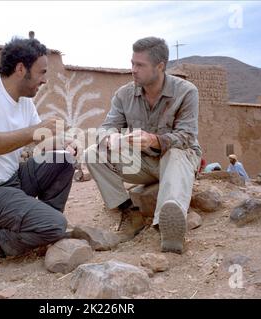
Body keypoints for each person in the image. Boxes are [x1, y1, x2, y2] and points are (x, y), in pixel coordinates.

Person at [0, 37, 76, 269]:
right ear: (21, 69)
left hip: (11, 181)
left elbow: (39, 141)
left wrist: (66, 143)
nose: (44, 80)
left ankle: (38, 226)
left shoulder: (25, 102)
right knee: (56, 226)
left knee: (63, 159)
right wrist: (34, 132)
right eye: (41, 72)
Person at [84, 37, 201, 254]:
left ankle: (168, 227)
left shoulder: (186, 92)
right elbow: (106, 127)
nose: (133, 70)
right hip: (144, 162)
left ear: (160, 66)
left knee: (175, 152)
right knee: (93, 154)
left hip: (177, 160)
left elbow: (187, 136)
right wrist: (111, 139)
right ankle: (131, 214)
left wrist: (155, 140)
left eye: (140, 65)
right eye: (132, 63)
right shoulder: (124, 94)